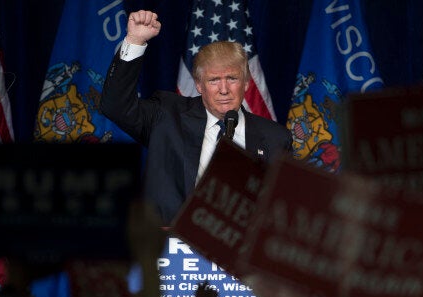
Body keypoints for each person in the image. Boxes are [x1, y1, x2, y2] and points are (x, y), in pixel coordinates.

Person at [100, 10, 293, 224]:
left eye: (232, 78)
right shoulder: (166, 116)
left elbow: (283, 213)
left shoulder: (275, 138)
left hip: (239, 251)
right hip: (172, 251)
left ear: (247, 83)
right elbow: (114, 106)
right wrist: (135, 40)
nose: (223, 89)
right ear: (199, 85)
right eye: (213, 80)